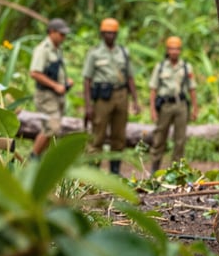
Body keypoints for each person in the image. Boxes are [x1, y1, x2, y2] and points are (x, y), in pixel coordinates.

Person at [82, 17, 140, 174]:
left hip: (121, 95)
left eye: (113, 33)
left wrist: (135, 100)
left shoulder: (123, 52)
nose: (110, 36)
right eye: (107, 33)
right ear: (102, 34)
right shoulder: (94, 53)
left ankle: (115, 171)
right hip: (102, 98)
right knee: (97, 135)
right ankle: (93, 172)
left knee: (119, 136)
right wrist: (88, 106)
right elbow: (87, 80)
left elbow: (130, 77)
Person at [148, 36, 197, 174]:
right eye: (171, 49)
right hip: (165, 106)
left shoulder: (186, 67)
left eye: (177, 49)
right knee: (159, 137)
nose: (174, 51)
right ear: (167, 50)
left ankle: (176, 170)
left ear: (180, 50)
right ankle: (154, 169)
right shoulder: (161, 67)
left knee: (180, 139)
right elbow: (153, 89)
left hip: (181, 105)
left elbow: (192, 88)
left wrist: (195, 108)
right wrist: (152, 109)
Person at [29, 18, 74, 158]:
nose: (63, 37)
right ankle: (33, 157)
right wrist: (55, 85)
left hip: (56, 96)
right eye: (61, 34)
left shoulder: (57, 49)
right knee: (52, 128)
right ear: (52, 32)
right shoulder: (43, 50)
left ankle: (38, 158)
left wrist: (65, 82)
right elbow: (34, 73)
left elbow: (53, 71)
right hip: (46, 96)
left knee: (50, 129)